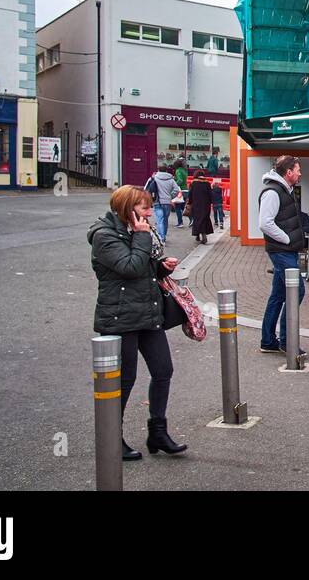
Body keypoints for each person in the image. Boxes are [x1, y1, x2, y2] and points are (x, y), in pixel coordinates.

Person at [89, 185, 188, 459]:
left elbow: (143, 266)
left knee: (163, 370)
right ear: (127, 208)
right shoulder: (104, 235)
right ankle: (112, 436)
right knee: (125, 379)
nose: (149, 212)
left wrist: (161, 266)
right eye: (144, 207)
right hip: (120, 317)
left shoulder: (137, 231)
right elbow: (130, 268)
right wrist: (142, 237)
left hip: (148, 311)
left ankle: (157, 431)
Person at [259, 156, 309, 355]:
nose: (300, 174)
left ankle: (268, 340)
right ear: (288, 172)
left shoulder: (283, 190)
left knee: (278, 295)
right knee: (296, 292)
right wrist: (287, 240)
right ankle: (286, 341)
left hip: (285, 251)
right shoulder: (273, 192)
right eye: (297, 170)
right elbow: (265, 223)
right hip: (282, 252)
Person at [145, 164, 181, 240]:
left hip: (157, 201)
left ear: (158, 170)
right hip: (167, 202)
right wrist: (171, 196)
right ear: (166, 170)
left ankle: (162, 237)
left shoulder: (154, 178)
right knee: (165, 220)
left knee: (159, 220)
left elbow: (146, 189)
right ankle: (163, 234)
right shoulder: (171, 179)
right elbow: (176, 190)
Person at [188, 174, 214, 245]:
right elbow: (211, 195)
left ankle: (199, 235)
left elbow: (190, 194)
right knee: (204, 219)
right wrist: (211, 202)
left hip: (196, 204)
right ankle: (203, 234)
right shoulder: (207, 183)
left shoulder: (194, 183)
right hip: (206, 205)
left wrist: (189, 202)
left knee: (197, 219)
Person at [172, 161, 188, 227]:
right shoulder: (184, 170)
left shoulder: (178, 170)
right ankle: (191, 219)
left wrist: (174, 184)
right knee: (184, 207)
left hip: (180, 190)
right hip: (185, 189)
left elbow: (180, 180)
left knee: (177, 207)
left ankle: (180, 222)